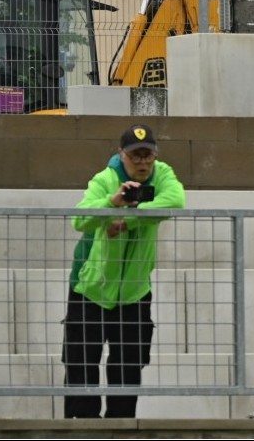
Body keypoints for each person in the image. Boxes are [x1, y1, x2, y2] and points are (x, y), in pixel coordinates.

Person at [61, 124, 186, 418]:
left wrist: (129, 219)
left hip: (134, 292)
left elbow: (176, 200)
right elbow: (79, 220)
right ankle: (82, 429)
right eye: (135, 156)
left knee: (128, 367)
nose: (143, 162)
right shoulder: (105, 179)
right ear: (122, 154)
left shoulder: (163, 174)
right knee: (80, 366)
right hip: (89, 289)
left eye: (148, 155)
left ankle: (121, 427)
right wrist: (112, 203)